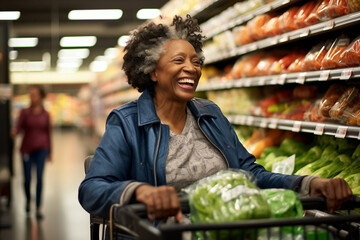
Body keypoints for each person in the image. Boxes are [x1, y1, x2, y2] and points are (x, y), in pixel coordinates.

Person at [78, 15, 352, 223]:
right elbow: (92, 189)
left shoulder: (210, 114)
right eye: (178, 61)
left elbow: (252, 175)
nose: (191, 68)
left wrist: (307, 183)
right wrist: (139, 192)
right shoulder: (127, 122)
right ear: (152, 72)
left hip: (225, 229)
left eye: (196, 61)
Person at [12, 85, 52, 219]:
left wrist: (50, 152)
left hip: (42, 149)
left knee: (40, 178)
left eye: (34, 94)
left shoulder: (45, 114)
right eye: (30, 94)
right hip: (27, 149)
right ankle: (28, 199)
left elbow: (48, 133)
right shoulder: (24, 112)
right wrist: (13, 132)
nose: (32, 97)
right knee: (27, 179)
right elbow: (18, 128)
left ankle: (39, 207)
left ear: (40, 96)